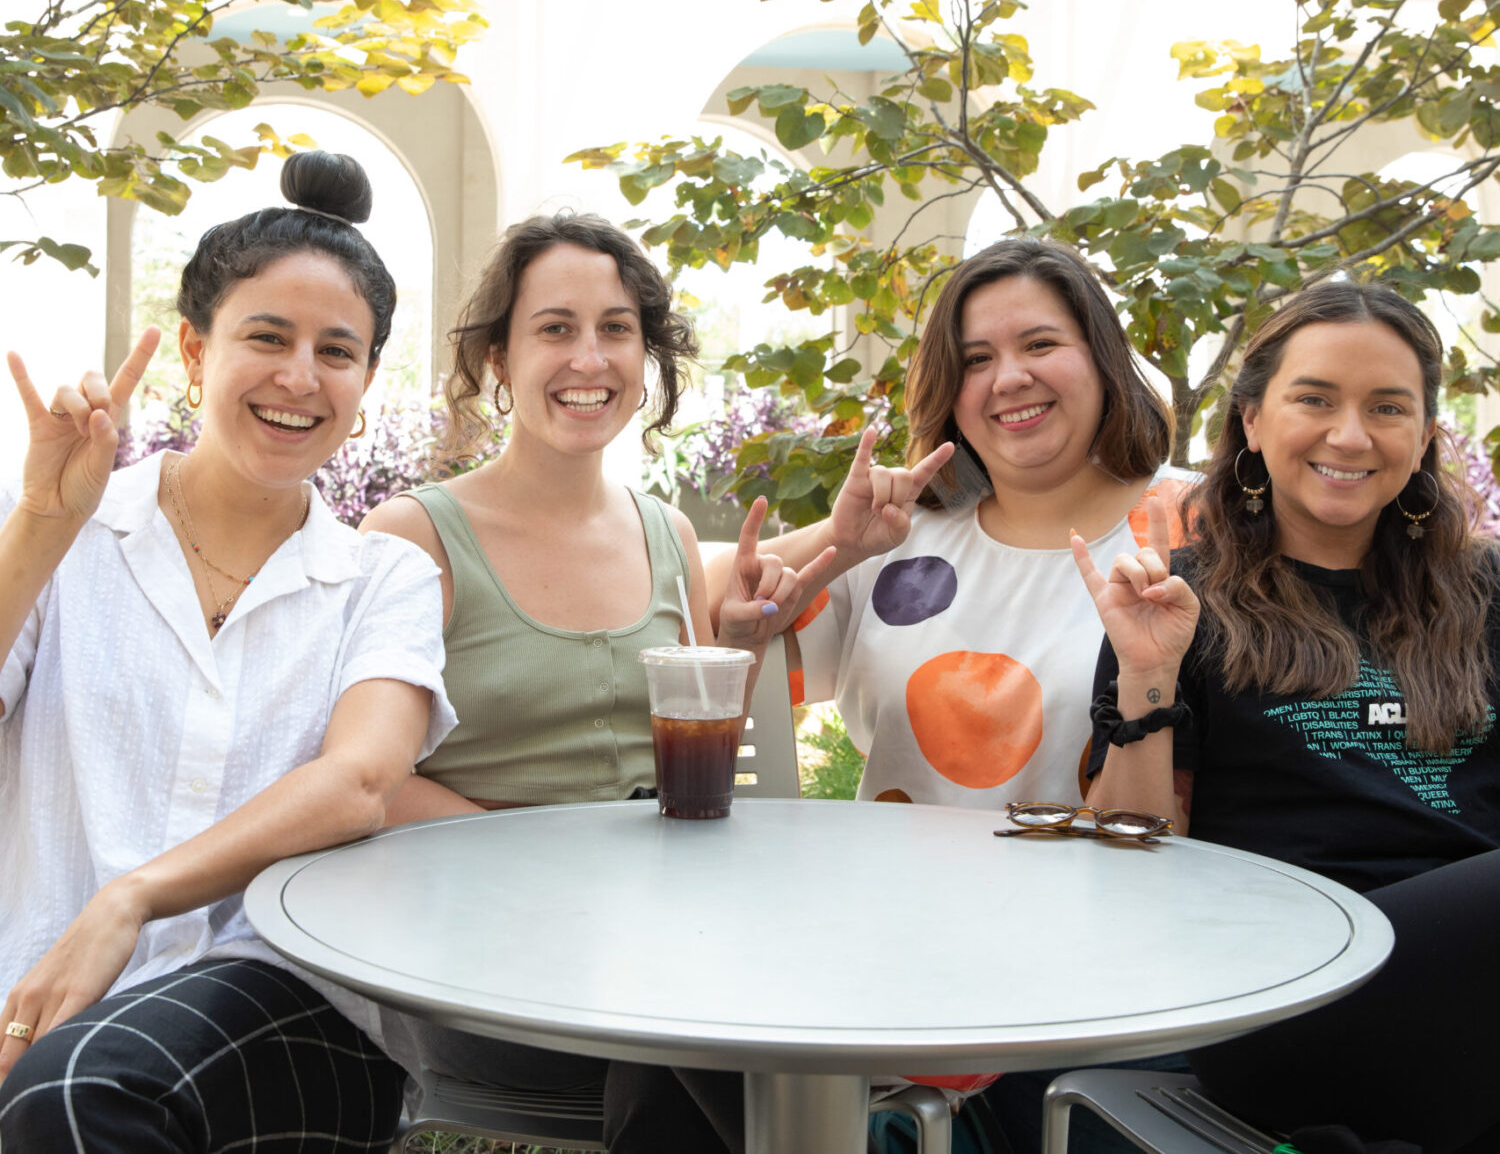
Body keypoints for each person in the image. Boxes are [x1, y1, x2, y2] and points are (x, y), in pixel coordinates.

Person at [0, 150, 456, 1154]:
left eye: (338, 351)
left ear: (369, 379)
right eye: (267, 337)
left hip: (289, 1001)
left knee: (73, 1092)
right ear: (197, 353)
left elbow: (359, 783)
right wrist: (41, 519)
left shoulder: (383, 580)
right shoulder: (58, 538)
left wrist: (133, 897)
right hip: (42, 987)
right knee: (54, 1080)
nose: (301, 377)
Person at [361, 211, 831, 1153]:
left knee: (770, 986)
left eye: (617, 329)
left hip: (661, 941)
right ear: (499, 357)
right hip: (471, 961)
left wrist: (733, 650)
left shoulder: (664, 533)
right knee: (720, 1019)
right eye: (555, 328)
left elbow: (690, 762)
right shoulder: (413, 539)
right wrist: (564, 862)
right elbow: (368, 779)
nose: (591, 357)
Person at [1075, 280, 1500, 1154]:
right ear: (1254, 420)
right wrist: (1148, 676)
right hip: (1282, 991)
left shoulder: (1487, 596)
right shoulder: (1179, 602)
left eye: (1388, 408)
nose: (1350, 435)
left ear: (1422, 439)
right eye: (1314, 399)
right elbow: (1128, 872)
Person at [713, 237, 1191, 813]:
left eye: (1040, 344)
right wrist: (838, 545)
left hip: (1109, 894)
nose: (1009, 378)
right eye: (976, 360)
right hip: (895, 895)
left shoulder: (1197, 522)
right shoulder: (896, 536)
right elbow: (695, 609)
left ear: (1103, 357)